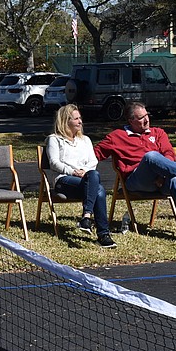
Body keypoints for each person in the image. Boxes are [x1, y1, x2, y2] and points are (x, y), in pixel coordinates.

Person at [93, 101, 176, 251]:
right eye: (141, 118)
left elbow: (169, 154)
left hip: (161, 182)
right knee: (151, 156)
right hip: (136, 181)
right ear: (131, 121)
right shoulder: (117, 136)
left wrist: (162, 175)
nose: (147, 119)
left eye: (147, 115)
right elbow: (94, 155)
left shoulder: (158, 133)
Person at [46, 105, 115, 248]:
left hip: (85, 179)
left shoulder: (85, 140)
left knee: (95, 179)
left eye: (80, 118)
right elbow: (54, 163)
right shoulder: (54, 139)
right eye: (76, 119)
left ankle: (88, 219)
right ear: (66, 121)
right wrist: (73, 171)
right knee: (99, 188)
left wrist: (84, 171)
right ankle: (102, 233)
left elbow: (93, 161)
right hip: (63, 180)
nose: (80, 122)